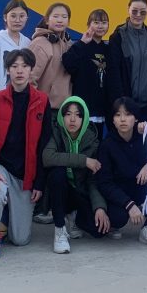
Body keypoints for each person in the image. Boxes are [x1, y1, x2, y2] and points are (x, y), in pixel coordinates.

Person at [0, 48, 52, 256]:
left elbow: (44, 144)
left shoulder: (42, 100)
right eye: (14, 66)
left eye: (24, 66)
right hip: (2, 168)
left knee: (20, 239)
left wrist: (39, 182)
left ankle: (4, 215)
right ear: (8, 71)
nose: (20, 71)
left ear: (31, 70)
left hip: (27, 174)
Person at [42, 96, 110, 254]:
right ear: (62, 116)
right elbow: (48, 157)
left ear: (84, 117)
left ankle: (73, 219)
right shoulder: (56, 132)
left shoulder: (92, 140)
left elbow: (93, 180)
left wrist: (99, 207)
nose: (72, 119)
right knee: (57, 173)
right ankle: (60, 229)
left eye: (78, 115)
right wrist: (84, 160)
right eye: (68, 114)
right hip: (59, 192)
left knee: (99, 232)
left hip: (80, 193)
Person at [96, 98, 147, 247]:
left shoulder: (145, 138)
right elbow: (105, 183)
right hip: (120, 194)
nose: (122, 119)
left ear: (136, 118)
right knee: (117, 217)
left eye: (127, 114)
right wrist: (129, 205)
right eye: (118, 115)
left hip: (140, 188)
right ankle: (114, 225)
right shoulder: (107, 145)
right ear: (112, 120)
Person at [107, 0, 147, 119]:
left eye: (143, 12)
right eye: (134, 11)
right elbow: (114, 72)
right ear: (128, 9)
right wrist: (120, 103)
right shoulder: (118, 37)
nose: (138, 15)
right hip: (125, 106)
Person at [62, 9, 111, 137]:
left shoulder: (109, 49)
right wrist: (82, 43)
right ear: (89, 25)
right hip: (83, 107)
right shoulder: (80, 45)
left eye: (104, 22)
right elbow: (68, 64)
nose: (100, 26)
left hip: (101, 108)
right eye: (96, 22)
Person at [29, 2, 74, 110]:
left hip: (65, 109)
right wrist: (35, 106)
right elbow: (30, 78)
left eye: (64, 17)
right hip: (44, 108)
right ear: (47, 20)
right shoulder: (39, 44)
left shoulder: (69, 44)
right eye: (55, 16)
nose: (60, 20)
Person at [0, 0, 32, 95]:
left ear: (27, 18)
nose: (17, 20)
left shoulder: (27, 42)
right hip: (1, 95)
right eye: (13, 16)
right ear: (5, 17)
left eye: (22, 16)